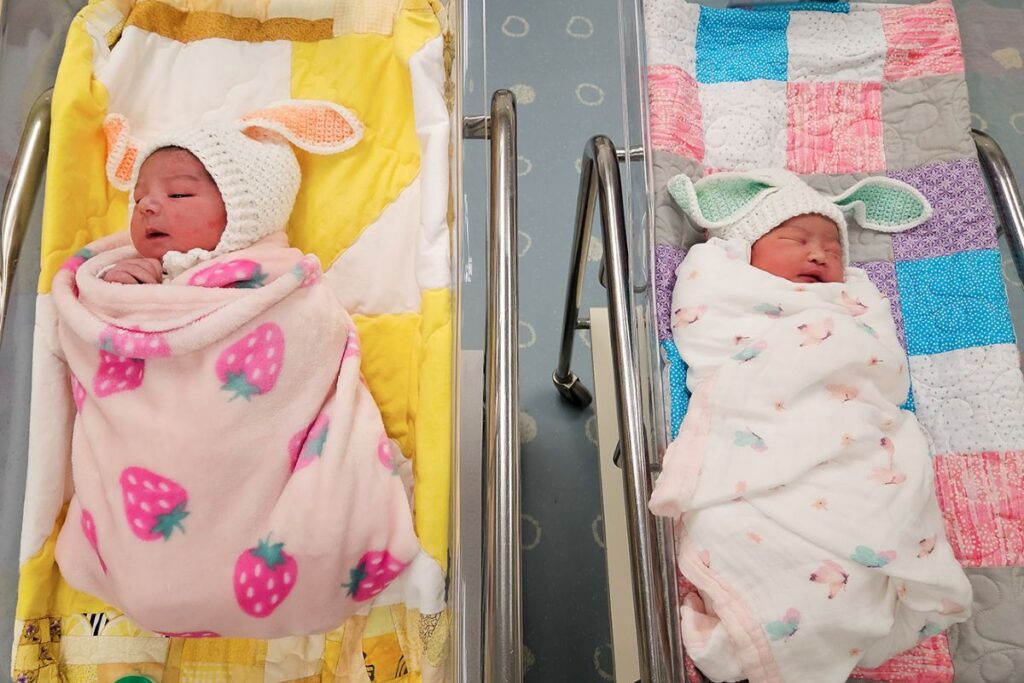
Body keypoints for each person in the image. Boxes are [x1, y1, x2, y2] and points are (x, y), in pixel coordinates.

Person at [49, 101, 429, 640]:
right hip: (151, 460)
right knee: (152, 574)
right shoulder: (128, 278)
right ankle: (157, 576)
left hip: (241, 451)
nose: (149, 206)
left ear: (243, 213)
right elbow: (95, 335)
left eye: (179, 195)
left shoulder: (279, 287)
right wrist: (121, 294)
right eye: (139, 199)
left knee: (305, 519)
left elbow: (310, 340)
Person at [649, 169, 972, 683]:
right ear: (747, 249)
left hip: (855, 441)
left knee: (883, 511)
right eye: (796, 240)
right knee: (734, 526)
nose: (819, 254)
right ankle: (764, 625)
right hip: (758, 440)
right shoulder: (731, 288)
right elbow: (704, 319)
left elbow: (881, 369)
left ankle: (833, 618)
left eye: (833, 249)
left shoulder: (853, 303)